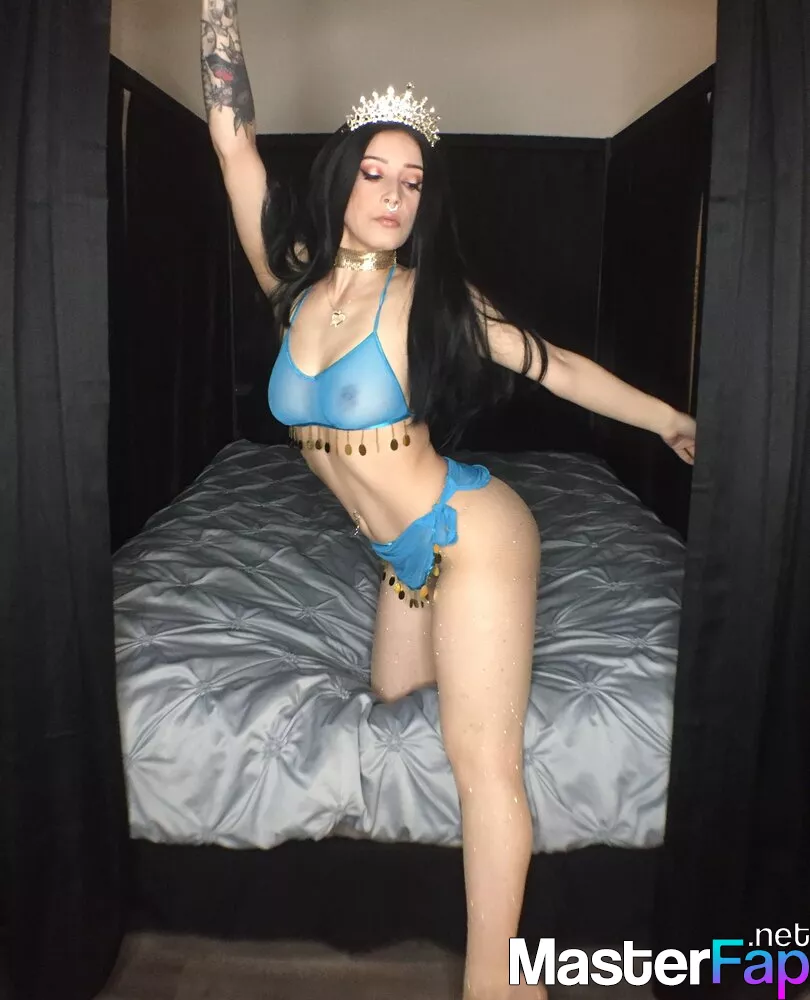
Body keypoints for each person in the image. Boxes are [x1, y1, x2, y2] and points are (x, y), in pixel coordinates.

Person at [201, 3, 697, 997]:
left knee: (482, 762)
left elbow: (557, 366)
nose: (394, 194)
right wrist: (217, 6)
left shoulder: (433, 296)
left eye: (413, 180)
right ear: (341, 181)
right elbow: (231, 139)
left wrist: (667, 420)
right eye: (376, 173)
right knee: (395, 709)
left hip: (473, 535)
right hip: (399, 557)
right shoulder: (290, 288)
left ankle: (497, 981)